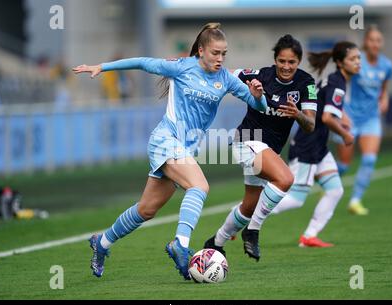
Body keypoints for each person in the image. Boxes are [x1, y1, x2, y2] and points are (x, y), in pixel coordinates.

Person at [72, 23, 267, 280]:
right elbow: (143, 62)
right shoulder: (181, 67)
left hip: (184, 148)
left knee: (146, 210)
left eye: (224, 54)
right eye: (215, 53)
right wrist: (102, 67)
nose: (220, 59)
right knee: (199, 187)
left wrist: (258, 95)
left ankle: (102, 243)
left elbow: (258, 105)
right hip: (166, 139)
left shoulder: (226, 79)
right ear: (201, 50)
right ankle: (181, 245)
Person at [203, 35, 317, 261]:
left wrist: (298, 114)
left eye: (291, 62)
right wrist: (192, 67)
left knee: (248, 206)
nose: (286, 66)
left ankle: (216, 242)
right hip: (246, 139)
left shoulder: (307, 84)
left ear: (298, 61)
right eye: (282, 61)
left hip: (267, 150)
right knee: (285, 179)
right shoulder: (259, 75)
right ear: (275, 60)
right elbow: (224, 74)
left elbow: (310, 125)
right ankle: (253, 231)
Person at [241, 41, 360, 253]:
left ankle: (309, 236)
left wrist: (344, 119)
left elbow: (324, 111)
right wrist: (346, 134)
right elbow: (327, 117)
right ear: (341, 63)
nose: (358, 63)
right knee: (295, 199)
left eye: (358, 58)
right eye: (353, 59)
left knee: (335, 190)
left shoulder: (329, 81)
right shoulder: (337, 83)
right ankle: (242, 216)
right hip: (309, 145)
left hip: (320, 146)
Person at [336, 26, 392, 216]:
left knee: (369, 159)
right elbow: (339, 84)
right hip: (350, 117)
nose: (375, 44)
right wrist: (341, 111)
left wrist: (384, 99)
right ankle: (328, 185)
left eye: (379, 40)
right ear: (365, 43)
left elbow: (384, 88)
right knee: (344, 165)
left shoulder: (386, 66)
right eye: (372, 40)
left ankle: (355, 200)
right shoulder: (356, 62)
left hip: (371, 119)